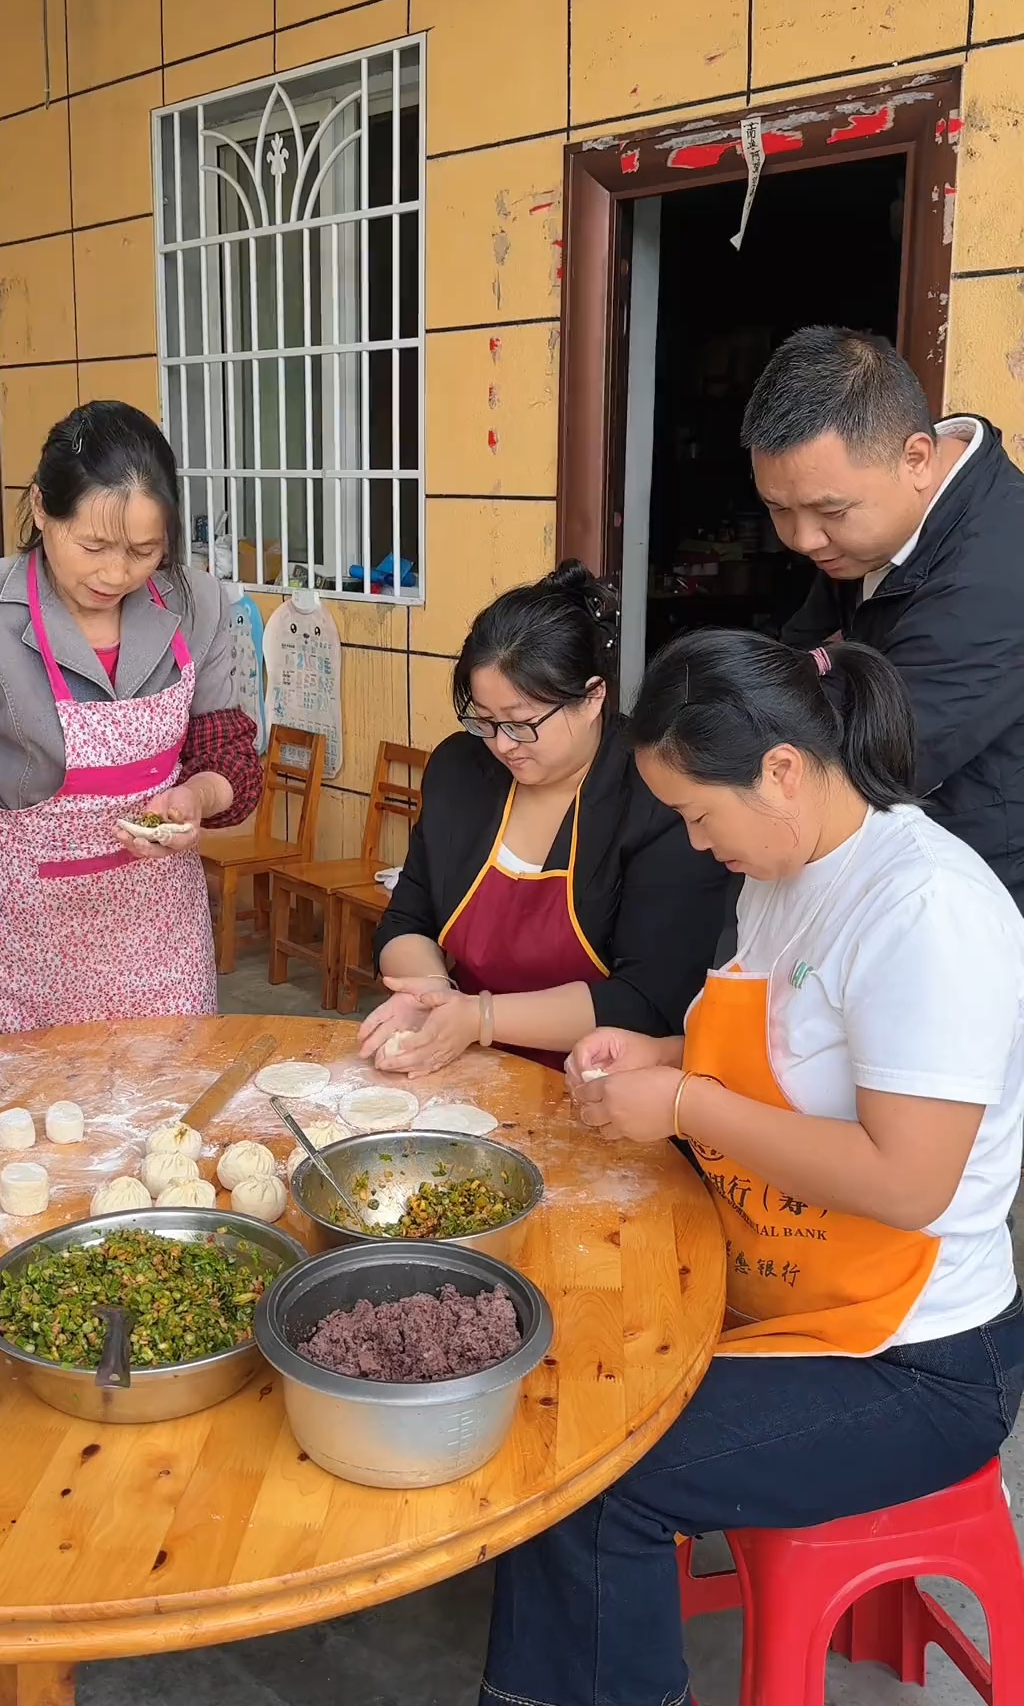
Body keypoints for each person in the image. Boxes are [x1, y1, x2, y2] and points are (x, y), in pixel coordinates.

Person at [480, 627, 1024, 1706]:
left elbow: (907, 1179)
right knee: (534, 1351)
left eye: (696, 813)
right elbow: (793, 1065)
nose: (691, 841)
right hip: (784, 1286)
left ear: (781, 771)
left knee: (590, 1474)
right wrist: (664, 1056)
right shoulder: (783, 868)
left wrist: (685, 1102)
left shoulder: (926, 910)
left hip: (913, 1360)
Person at [0, 401, 263, 1039]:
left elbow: (228, 751)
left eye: (145, 551)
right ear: (41, 509)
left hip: (155, 927)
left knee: (164, 1109)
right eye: (93, 545)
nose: (117, 574)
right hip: (12, 932)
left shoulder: (198, 603)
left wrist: (196, 797)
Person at [358, 561, 727, 1075]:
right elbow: (405, 920)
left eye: (523, 723)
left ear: (592, 697)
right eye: (484, 721)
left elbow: (649, 1001)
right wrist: (435, 998)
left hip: (603, 1084)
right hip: (465, 1067)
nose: (503, 745)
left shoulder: (654, 794)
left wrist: (480, 1017)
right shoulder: (461, 771)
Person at [743, 324, 1024, 907]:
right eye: (777, 509)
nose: (802, 538)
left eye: (830, 511)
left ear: (916, 459)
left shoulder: (999, 572)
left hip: (973, 888)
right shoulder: (865, 534)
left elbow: (878, 761)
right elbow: (793, 663)